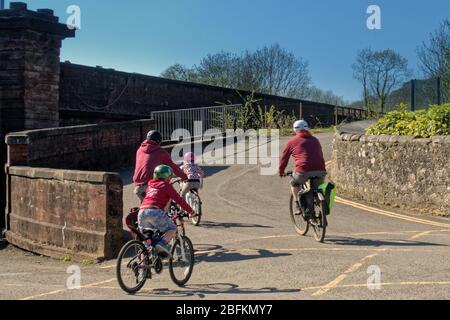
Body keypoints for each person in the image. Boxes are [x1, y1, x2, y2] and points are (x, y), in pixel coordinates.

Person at [138, 165, 194, 257]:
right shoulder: (166, 185)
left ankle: (143, 268)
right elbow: (179, 200)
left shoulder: (150, 185)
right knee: (172, 229)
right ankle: (161, 244)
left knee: (147, 243)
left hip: (142, 212)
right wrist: (191, 211)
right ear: (167, 176)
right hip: (154, 211)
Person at [279, 120, 327, 215]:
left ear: (294, 130)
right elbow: (320, 154)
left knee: (294, 183)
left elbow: (284, 159)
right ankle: (321, 209)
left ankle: (298, 205)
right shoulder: (315, 139)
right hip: (320, 169)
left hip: (303, 170)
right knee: (317, 189)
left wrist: (281, 172)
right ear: (307, 128)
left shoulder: (292, 141)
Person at [133, 130, 188, 202]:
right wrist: (184, 176)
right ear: (159, 141)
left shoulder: (139, 150)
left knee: (147, 208)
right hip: (151, 185)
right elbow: (172, 166)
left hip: (138, 187)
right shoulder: (160, 152)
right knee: (166, 201)